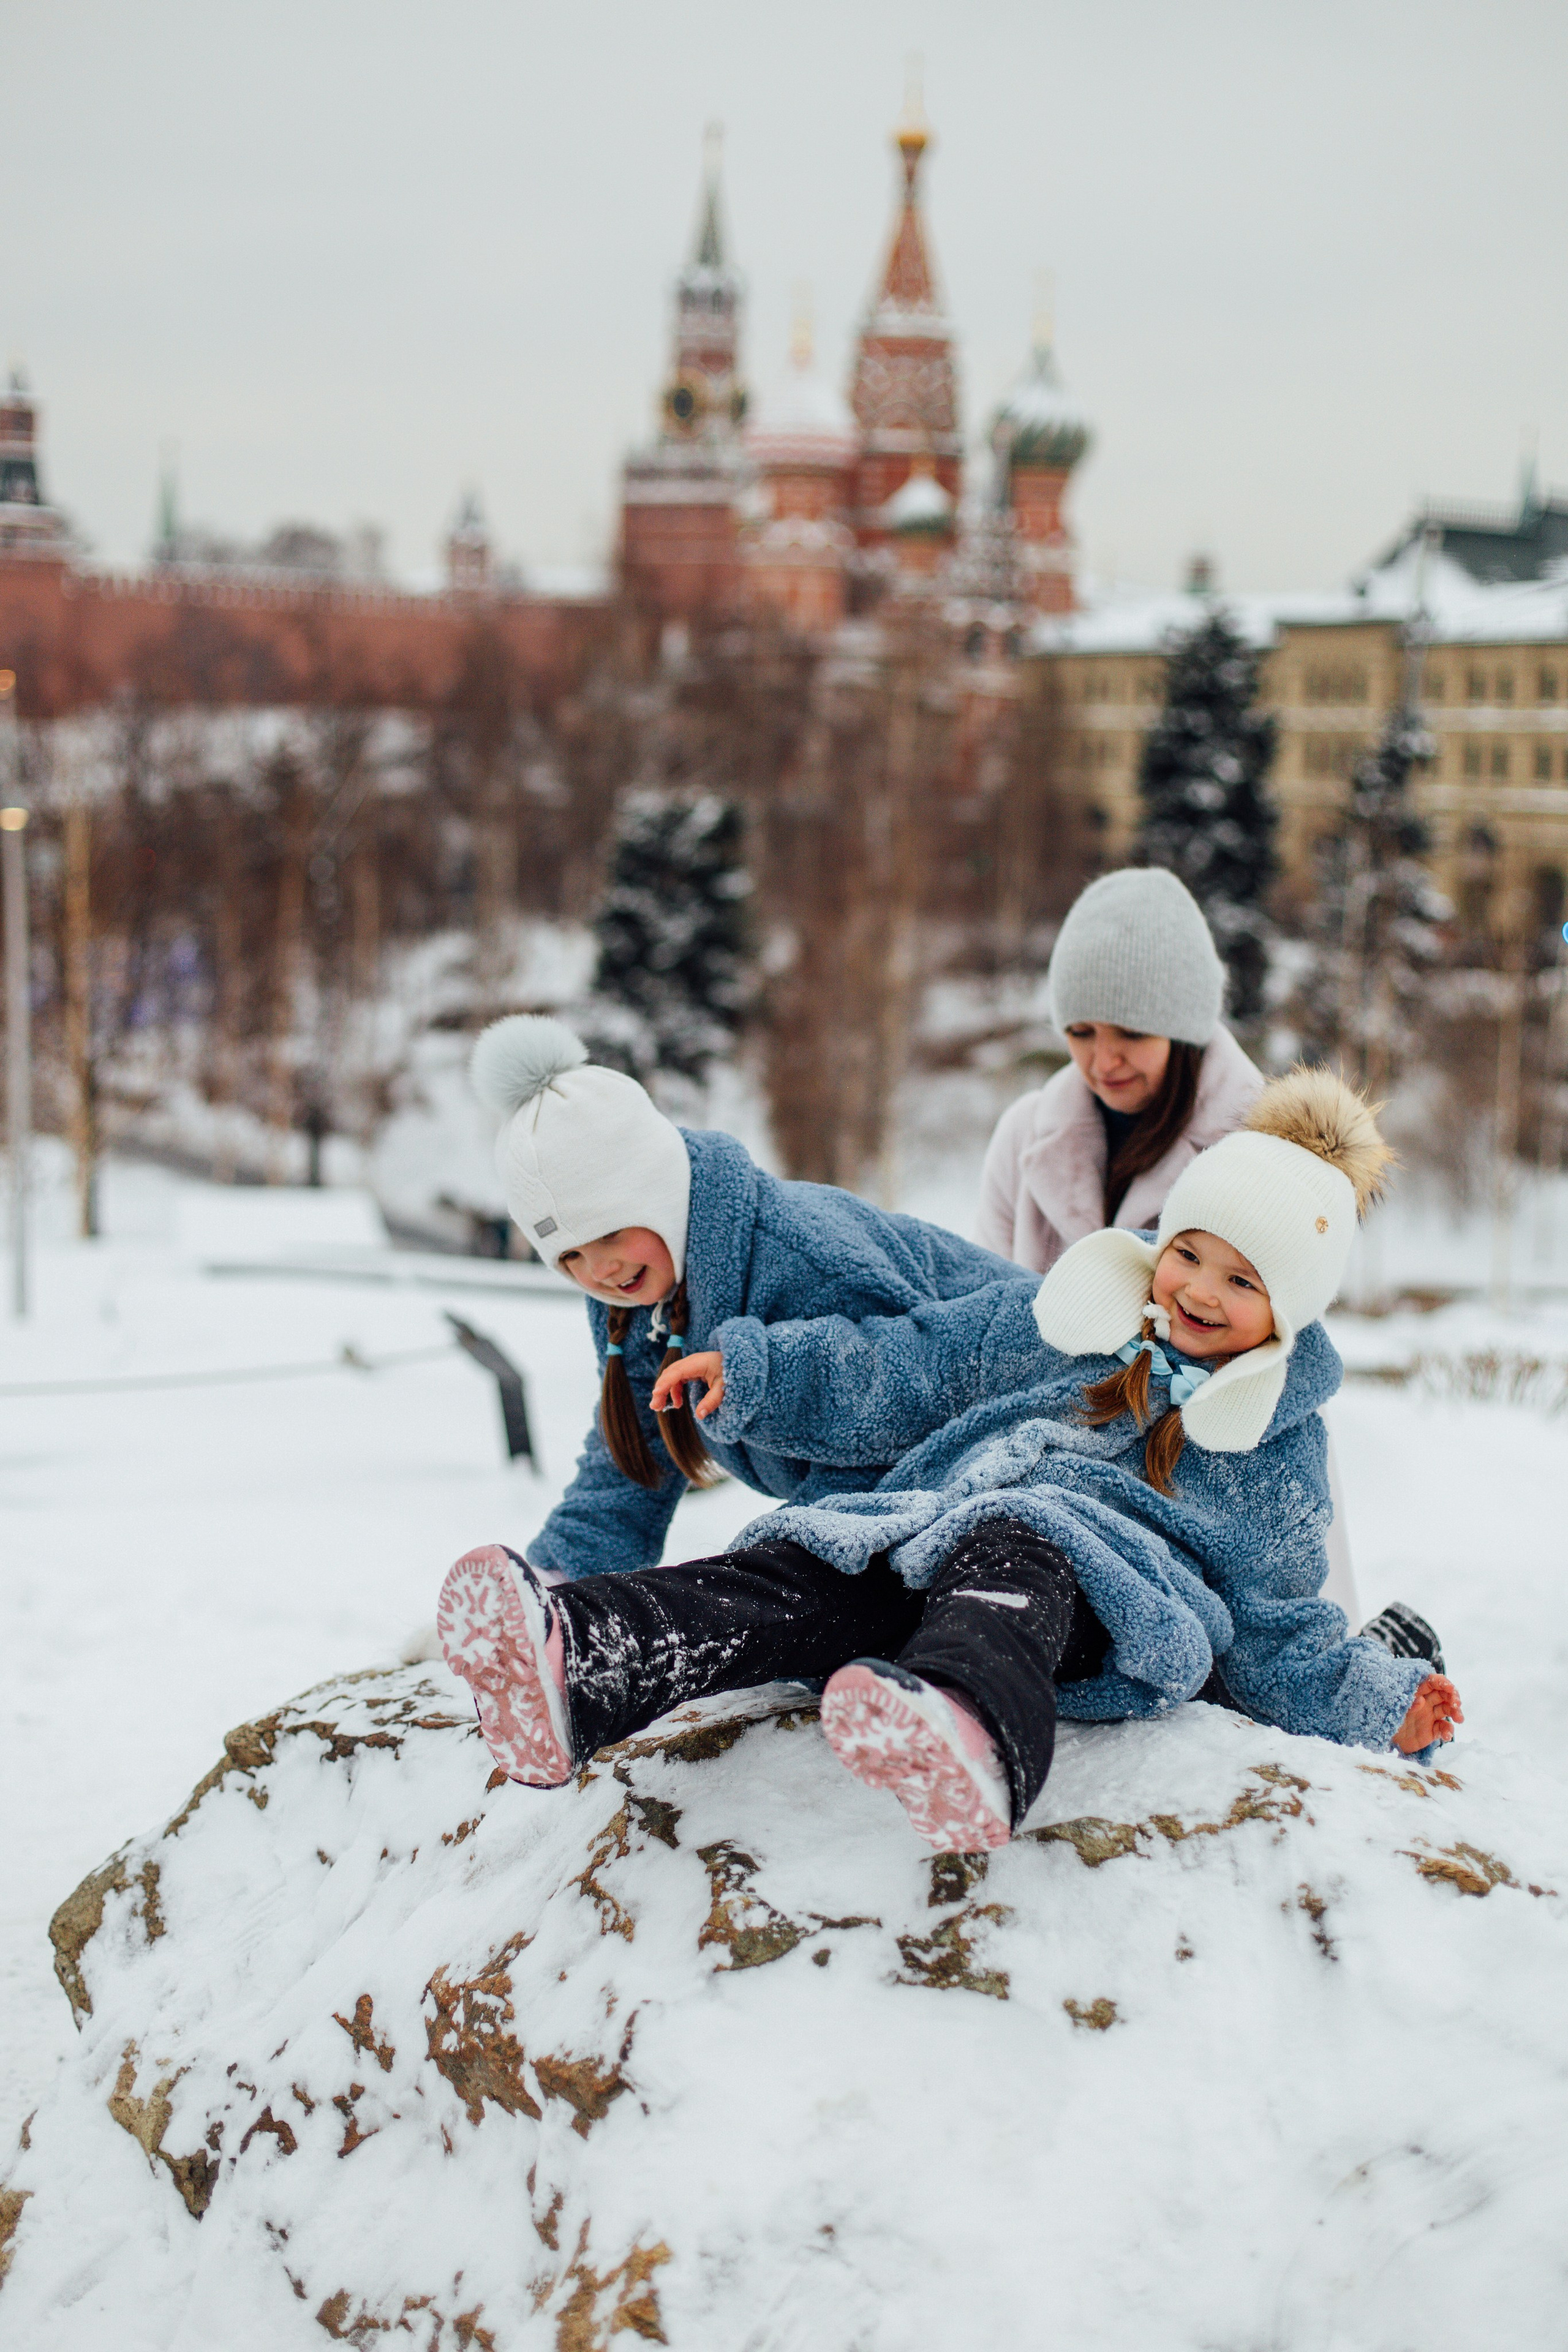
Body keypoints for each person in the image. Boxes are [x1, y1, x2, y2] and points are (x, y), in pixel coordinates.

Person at [439, 1069, 1462, 1853]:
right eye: (1188, 1251)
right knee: (808, 1568)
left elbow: (1283, 1628)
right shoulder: (1069, 1316)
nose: (1196, 1288)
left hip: (1102, 1599)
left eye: (1241, 1280)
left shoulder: (1276, 1444)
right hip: (936, 1526)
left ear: (1287, 1309)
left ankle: (970, 1728)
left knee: (1018, 1548)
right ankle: (584, 1661)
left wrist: (1382, 1700)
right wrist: (759, 1376)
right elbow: (909, 1366)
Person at [468, 1014, 1040, 1583]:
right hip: (917, 1484)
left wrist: (798, 1578)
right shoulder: (640, 1285)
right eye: (568, 1256)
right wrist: (560, 1575)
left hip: (1036, 1415)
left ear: (657, 1189)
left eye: (610, 1232)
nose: (598, 1269)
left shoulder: (802, 1258)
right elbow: (635, 1449)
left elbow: (910, 1399)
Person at [975, 867, 1262, 1275]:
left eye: (1132, 1033)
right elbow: (978, 1306)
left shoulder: (1255, 1158)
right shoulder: (1023, 1137)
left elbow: (1279, 1331)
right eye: (1081, 1032)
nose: (1104, 1061)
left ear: (1184, 1035)